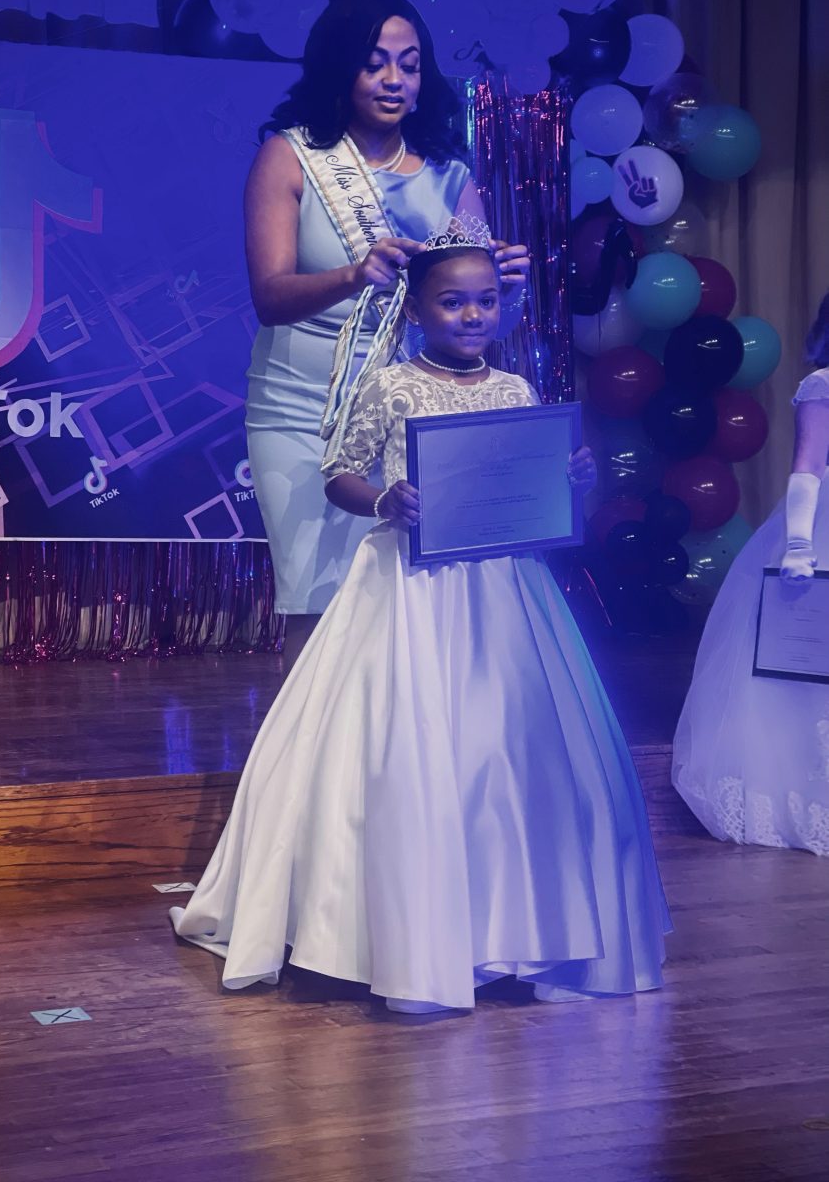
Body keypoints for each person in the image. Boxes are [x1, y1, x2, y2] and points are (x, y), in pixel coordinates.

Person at [171, 240, 671, 1013]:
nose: (472, 315)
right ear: (415, 311)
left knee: (507, 748)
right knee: (408, 742)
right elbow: (339, 471)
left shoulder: (514, 386)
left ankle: (514, 927)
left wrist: (572, 476)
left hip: (504, 583)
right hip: (409, 583)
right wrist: (384, 500)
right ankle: (399, 937)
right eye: (451, 302)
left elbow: (535, 482)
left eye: (484, 302)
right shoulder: (390, 385)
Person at [244, 0, 529, 666]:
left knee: (406, 597)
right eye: (375, 63)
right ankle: (309, 772)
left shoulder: (449, 176)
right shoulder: (291, 157)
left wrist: (508, 288)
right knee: (313, 595)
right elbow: (270, 296)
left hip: (410, 409)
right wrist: (353, 273)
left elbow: (477, 315)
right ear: (341, 65)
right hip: (299, 408)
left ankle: (398, 761)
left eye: (409, 64)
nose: (394, 80)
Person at [672, 293, 829, 856]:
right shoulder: (824, 385)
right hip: (820, 529)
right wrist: (800, 544)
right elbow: (809, 466)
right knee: (804, 667)